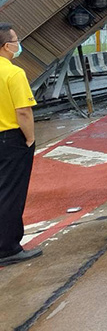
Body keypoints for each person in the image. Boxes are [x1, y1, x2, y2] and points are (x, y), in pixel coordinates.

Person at [0, 23, 41, 267]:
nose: (19, 44)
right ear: (7, 46)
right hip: (9, 139)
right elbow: (23, 111)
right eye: (16, 40)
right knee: (11, 194)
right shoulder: (13, 73)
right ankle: (8, 249)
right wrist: (30, 138)